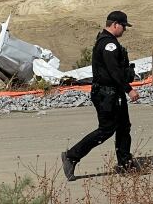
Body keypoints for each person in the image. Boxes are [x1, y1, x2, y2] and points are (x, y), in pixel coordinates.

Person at [61, 10, 139, 181]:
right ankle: (71, 156)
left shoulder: (107, 41)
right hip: (107, 94)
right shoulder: (108, 45)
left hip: (113, 93)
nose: (124, 30)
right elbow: (114, 71)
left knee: (124, 127)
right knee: (106, 130)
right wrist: (129, 89)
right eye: (123, 27)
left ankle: (125, 163)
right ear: (115, 25)